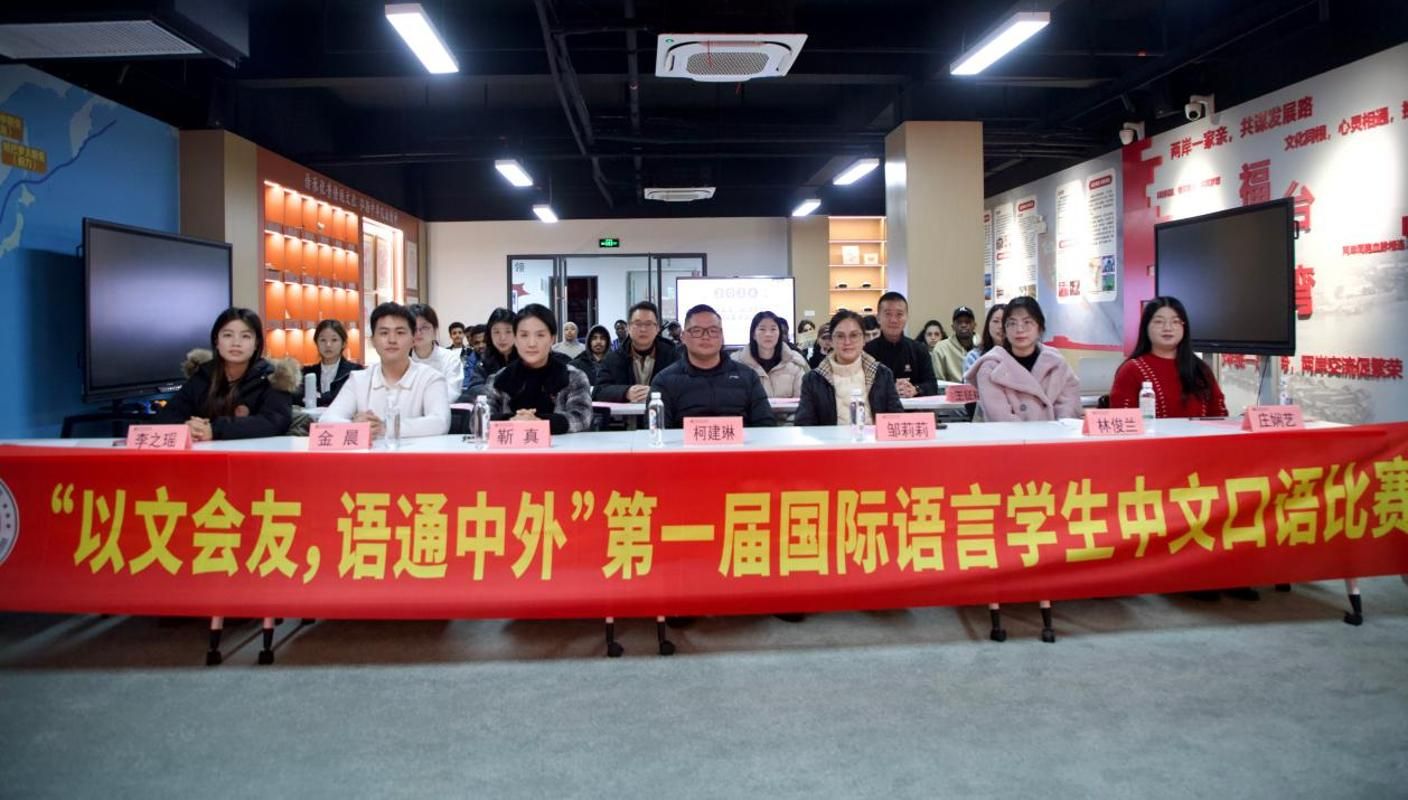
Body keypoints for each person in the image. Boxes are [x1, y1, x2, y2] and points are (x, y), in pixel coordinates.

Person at [156, 307, 297, 440]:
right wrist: (187, 427)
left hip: (253, 454)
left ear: (256, 344)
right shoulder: (203, 374)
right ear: (217, 341)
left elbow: (275, 422)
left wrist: (215, 430)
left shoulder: (273, 378)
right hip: (205, 454)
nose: (236, 343)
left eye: (245, 336)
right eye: (228, 335)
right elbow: (166, 417)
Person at [322, 302, 451, 437]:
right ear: (373, 341)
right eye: (384, 333)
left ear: (413, 339)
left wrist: (386, 428)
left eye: (400, 332)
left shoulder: (430, 378)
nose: (392, 340)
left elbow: (440, 422)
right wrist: (356, 427)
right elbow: (326, 421)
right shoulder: (358, 380)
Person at [651, 304, 776, 428]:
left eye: (713, 331)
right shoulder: (664, 381)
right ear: (683, 337)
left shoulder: (748, 377)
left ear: (722, 337)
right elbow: (656, 432)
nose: (706, 337)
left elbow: (766, 426)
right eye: (697, 331)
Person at [483, 304, 594, 434]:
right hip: (510, 446)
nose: (532, 343)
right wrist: (513, 421)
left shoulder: (573, 377)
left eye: (540, 335)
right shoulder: (498, 379)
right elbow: (479, 420)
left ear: (552, 339)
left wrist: (538, 423)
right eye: (524, 335)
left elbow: (582, 418)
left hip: (559, 446)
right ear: (515, 340)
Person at [966, 295, 1081, 421]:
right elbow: (1000, 418)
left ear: (1040, 328)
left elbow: (1069, 407)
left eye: (1027, 322)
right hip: (1009, 434)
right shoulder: (990, 367)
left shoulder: (1057, 363)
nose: (1019, 329)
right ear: (1005, 330)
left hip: (1055, 433)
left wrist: (1057, 428)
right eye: (1012, 323)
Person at [1110, 296, 1228, 417]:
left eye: (1175, 321)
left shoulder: (1200, 368)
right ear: (1146, 327)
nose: (1167, 328)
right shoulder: (1131, 370)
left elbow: (1219, 415)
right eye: (1159, 322)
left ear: (1184, 327)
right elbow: (1122, 419)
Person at [796, 310, 903, 426]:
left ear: (864, 339)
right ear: (831, 341)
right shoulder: (813, 380)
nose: (847, 342)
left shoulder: (882, 375)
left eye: (854, 335)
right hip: (829, 438)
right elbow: (804, 425)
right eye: (840, 336)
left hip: (874, 438)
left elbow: (897, 420)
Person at [595, 301, 678, 403]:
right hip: (626, 413)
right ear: (629, 328)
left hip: (663, 412)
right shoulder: (613, 358)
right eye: (638, 324)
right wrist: (625, 392)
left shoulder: (672, 355)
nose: (643, 329)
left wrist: (657, 391)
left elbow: (684, 387)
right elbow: (598, 391)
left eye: (648, 324)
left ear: (657, 328)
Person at [864, 292, 939, 397]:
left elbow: (932, 385)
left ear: (906, 317)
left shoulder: (919, 349)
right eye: (888, 314)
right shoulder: (867, 351)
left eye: (899, 314)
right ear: (878, 318)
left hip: (913, 407)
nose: (893, 320)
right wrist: (889, 389)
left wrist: (915, 389)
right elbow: (860, 386)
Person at [731, 310, 810, 397]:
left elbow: (802, 400)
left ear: (779, 334)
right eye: (762, 329)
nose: (768, 334)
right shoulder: (736, 364)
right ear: (753, 334)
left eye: (773, 329)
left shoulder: (795, 362)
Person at [407, 303, 464, 405]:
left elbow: (451, 394)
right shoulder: (402, 360)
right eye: (413, 328)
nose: (418, 332)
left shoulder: (450, 359)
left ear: (434, 330)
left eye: (424, 327)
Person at [302, 319, 365, 407]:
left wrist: (318, 398)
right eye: (323, 340)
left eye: (334, 340)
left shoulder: (355, 372)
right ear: (316, 343)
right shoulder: (306, 373)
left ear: (344, 343)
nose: (328, 344)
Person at [933, 306, 977, 383]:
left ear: (974, 325)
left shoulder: (984, 346)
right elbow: (939, 382)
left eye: (967, 322)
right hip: (951, 390)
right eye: (959, 322)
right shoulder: (941, 348)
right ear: (953, 327)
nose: (963, 325)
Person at [964, 303, 1006, 375]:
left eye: (1005, 321)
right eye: (996, 321)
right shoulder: (974, 356)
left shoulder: (1020, 354)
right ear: (988, 324)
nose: (1001, 326)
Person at [477, 307, 517, 381]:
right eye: (496, 332)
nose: (502, 338)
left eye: (508, 331)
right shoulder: (484, 363)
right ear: (490, 334)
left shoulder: (527, 360)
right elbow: (475, 386)